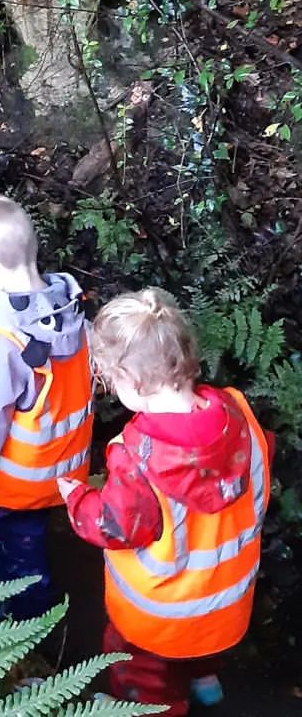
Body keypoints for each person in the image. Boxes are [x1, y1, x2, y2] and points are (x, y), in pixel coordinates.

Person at [58, 288, 271, 716]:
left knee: (145, 680)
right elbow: (259, 489)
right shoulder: (241, 414)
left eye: (110, 379)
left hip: (157, 622)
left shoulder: (138, 459)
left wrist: (77, 497)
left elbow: (112, 526)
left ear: (132, 382)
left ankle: (151, 708)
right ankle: (204, 680)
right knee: (201, 648)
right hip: (226, 607)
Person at [0, 194, 93, 622]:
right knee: (36, 540)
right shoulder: (69, 309)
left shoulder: (4, 339)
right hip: (67, 470)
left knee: (18, 564)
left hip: (17, 487)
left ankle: (28, 627)